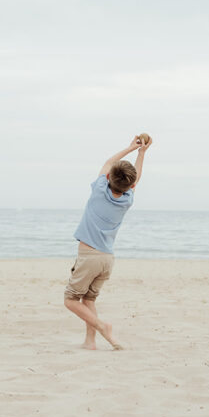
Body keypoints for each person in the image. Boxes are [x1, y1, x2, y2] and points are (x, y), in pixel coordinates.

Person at [63, 134, 151, 350]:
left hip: (89, 256)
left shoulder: (99, 190)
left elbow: (108, 162)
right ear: (130, 186)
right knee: (89, 301)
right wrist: (142, 153)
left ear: (109, 176)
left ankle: (103, 327)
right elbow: (135, 178)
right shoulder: (127, 199)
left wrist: (131, 147)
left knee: (71, 300)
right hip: (107, 259)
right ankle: (90, 342)